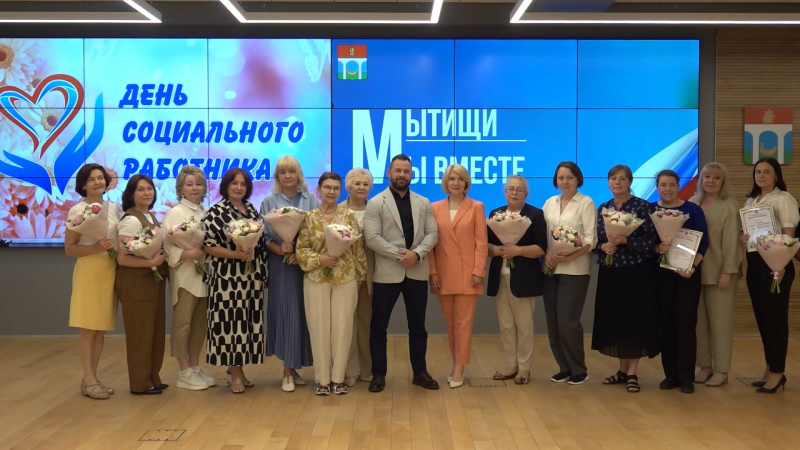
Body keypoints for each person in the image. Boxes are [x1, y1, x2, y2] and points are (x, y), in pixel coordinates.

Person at [363, 154, 439, 393]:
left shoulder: (423, 202)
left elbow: (433, 233)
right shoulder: (375, 203)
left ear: (411, 174)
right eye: (398, 170)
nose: (402, 175)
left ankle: (420, 372)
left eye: (406, 171)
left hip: (416, 271)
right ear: (389, 173)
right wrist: (401, 256)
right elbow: (372, 238)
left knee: (418, 327)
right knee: (378, 327)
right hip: (387, 273)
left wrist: (416, 254)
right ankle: (378, 374)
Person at [297, 173, 367, 395]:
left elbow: (358, 250)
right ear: (319, 190)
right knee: (318, 328)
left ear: (340, 191)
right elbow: (301, 250)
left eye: (336, 188)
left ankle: (338, 379)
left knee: (343, 329)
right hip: (316, 279)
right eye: (327, 187)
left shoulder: (348, 216)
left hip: (345, 278)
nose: (332, 191)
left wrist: (360, 277)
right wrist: (320, 259)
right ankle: (322, 380)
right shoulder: (309, 218)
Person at [592, 164, 659, 394]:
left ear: (630, 182)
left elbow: (650, 241)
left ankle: (632, 373)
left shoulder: (641, 206)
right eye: (613, 178)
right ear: (608, 182)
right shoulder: (604, 207)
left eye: (622, 179)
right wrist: (603, 246)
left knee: (633, 321)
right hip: (610, 272)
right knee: (616, 321)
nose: (617, 182)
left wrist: (625, 241)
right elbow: (596, 240)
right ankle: (622, 370)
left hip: (636, 272)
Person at [202, 168, 267, 394]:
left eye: (243, 184)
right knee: (232, 325)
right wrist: (235, 254)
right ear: (226, 186)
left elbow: (260, 243)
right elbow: (207, 245)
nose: (239, 187)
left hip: (250, 276)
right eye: (234, 183)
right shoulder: (215, 211)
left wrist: (262, 273)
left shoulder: (251, 210)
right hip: (227, 278)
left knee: (246, 325)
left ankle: (239, 370)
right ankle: (235, 374)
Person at [740, 157, 798, 393]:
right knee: (763, 320)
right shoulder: (751, 201)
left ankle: (777, 373)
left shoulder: (784, 198)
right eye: (758, 171)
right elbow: (751, 235)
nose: (761, 175)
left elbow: (788, 235)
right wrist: (744, 238)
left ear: (776, 175)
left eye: (767, 171)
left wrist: (780, 263)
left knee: (775, 320)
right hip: (755, 264)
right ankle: (770, 368)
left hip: (776, 265)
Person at [428, 164, 488, 389]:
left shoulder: (476, 207)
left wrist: (478, 271)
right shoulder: (434, 207)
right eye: (452, 178)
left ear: (466, 183)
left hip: (467, 273)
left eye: (460, 179)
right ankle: (456, 363)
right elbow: (431, 244)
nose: (456, 182)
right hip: (443, 274)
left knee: (463, 323)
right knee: (451, 323)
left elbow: (481, 243)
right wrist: (432, 272)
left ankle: (459, 367)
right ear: (446, 182)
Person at [259, 155, 316, 392]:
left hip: (305, 265)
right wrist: (280, 249)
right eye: (282, 172)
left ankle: (295, 366)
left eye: (291, 171)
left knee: (304, 315)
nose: (287, 176)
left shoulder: (311, 198)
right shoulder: (269, 201)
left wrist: (301, 253)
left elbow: (316, 232)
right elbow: (262, 237)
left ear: (298, 174)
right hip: (281, 265)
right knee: (287, 314)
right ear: (277, 176)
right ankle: (287, 371)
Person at [64, 164, 120, 400]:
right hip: (89, 271)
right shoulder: (77, 210)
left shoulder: (113, 208)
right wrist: (95, 247)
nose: (98, 182)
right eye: (92, 179)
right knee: (88, 328)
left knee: (100, 329)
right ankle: (88, 380)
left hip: (110, 269)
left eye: (100, 178)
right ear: (83, 185)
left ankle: (93, 378)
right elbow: (70, 248)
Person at [651, 170, 709, 394]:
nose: (668, 189)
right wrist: (658, 247)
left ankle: (686, 377)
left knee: (685, 324)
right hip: (661, 275)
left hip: (688, 275)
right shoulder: (651, 210)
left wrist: (692, 266)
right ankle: (670, 375)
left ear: (678, 185)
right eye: (663, 185)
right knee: (666, 325)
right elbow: (648, 244)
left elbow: (704, 242)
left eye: (672, 185)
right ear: (657, 187)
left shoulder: (693, 210)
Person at [486, 175, 548, 385]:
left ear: (526, 194)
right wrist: (495, 249)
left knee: (524, 325)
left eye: (519, 189)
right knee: (505, 325)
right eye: (510, 189)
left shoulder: (535, 214)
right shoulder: (495, 214)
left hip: (524, 278)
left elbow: (541, 248)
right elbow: (487, 245)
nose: (514, 192)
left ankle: (524, 368)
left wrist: (519, 250)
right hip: (500, 276)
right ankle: (510, 364)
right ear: (505, 192)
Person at [541, 161, 596, 386]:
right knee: (553, 322)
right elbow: (543, 235)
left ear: (578, 179)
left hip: (575, 270)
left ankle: (579, 369)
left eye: (569, 178)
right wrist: (547, 253)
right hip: (550, 269)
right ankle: (563, 368)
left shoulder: (586, 202)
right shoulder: (549, 203)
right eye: (561, 178)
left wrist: (571, 256)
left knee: (567, 321)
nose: (565, 181)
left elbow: (591, 239)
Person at [162, 166, 215, 391]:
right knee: (182, 323)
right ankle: (183, 370)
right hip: (184, 276)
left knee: (200, 324)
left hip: (205, 275)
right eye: (190, 184)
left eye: (199, 184)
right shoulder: (175, 213)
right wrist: (187, 253)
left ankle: (194, 365)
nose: (195, 188)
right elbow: (165, 246)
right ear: (180, 188)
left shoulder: (206, 212)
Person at [115, 174, 169, 395]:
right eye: (141, 189)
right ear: (131, 194)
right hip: (136, 283)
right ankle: (140, 383)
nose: (147, 193)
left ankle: (152, 377)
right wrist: (152, 262)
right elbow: (122, 258)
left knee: (154, 331)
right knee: (140, 333)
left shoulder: (150, 216)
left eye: (150, 188)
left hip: (151, 281)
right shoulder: (130, 220)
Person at [690, 163, 743, 387]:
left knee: (720, 324)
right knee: (700, 324)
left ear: (723, 182)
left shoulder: (729, 205)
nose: (711, 181)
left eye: (716, 178)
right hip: (694, 271)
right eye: (707, 176)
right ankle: (705, 366)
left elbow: (732, 242)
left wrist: (727, 271)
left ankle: (721, 369)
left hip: (721, 273)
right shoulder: (692, 203)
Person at [340, 168, 375, 387]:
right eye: (357, 183)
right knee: (347, 324)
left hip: (370, 275)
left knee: (366, 323)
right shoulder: (338, 210)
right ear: (348, 186)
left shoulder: (377, 210)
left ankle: (366, 369)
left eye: (365, 184)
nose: (361, 187)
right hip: (344, 275)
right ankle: (349, 370)